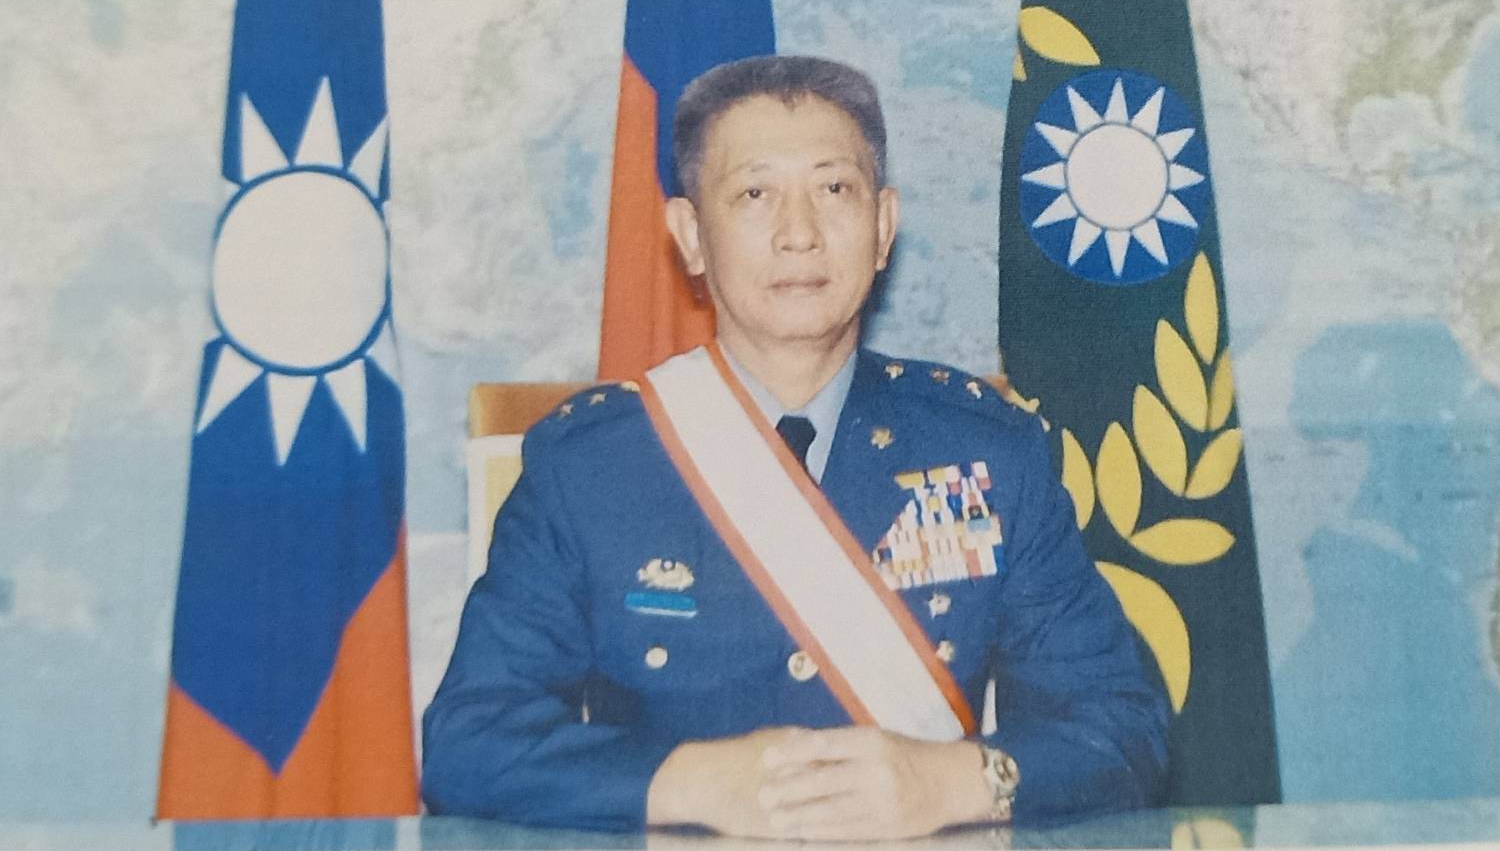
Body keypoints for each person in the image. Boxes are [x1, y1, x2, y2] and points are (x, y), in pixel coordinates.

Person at [421, 55, 1169, 838]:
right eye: (754, 194)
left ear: (882, 227)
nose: (799, 234)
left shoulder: (989, 451)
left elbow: (1124, 731)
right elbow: (469, 744)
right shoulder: (588, 468)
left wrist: (953, 781)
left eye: (833, 189)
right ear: (691, 236)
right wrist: (689, 784)